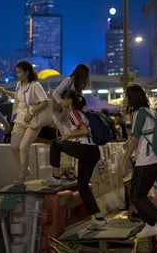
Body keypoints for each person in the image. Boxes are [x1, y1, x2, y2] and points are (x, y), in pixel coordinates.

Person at [42, 89, 107, 230]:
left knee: (55, 143)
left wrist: (68, 136)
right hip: (93, 152)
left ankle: (56, 177)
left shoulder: (73, 112)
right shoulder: (83, 113)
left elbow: (84, 130)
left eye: (64, 99)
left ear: (70, 101)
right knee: (82, 187)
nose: (62, 102)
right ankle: (99, 218)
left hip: (86, 150)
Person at [120, 84, 157, 240]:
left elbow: (135, 139)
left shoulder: (139, 113)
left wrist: (124, 161)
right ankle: (150, 225)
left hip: (147, 161)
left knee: (136, 195)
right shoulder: (152, 112)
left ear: (130, 98)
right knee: (141, 194)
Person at [1, 61, 49, 185]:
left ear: (26, 72)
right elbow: (18, 97)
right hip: (20, 120)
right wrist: (5, 92)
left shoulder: (35, 85)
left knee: (23, 147)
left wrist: (31, 112)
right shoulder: (18, 85)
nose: (17, 74)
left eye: (19, 72)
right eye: (16, 72)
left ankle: (22, 176)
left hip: (33, 121)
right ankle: (25, 167)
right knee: (14, 146)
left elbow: (44, 102)